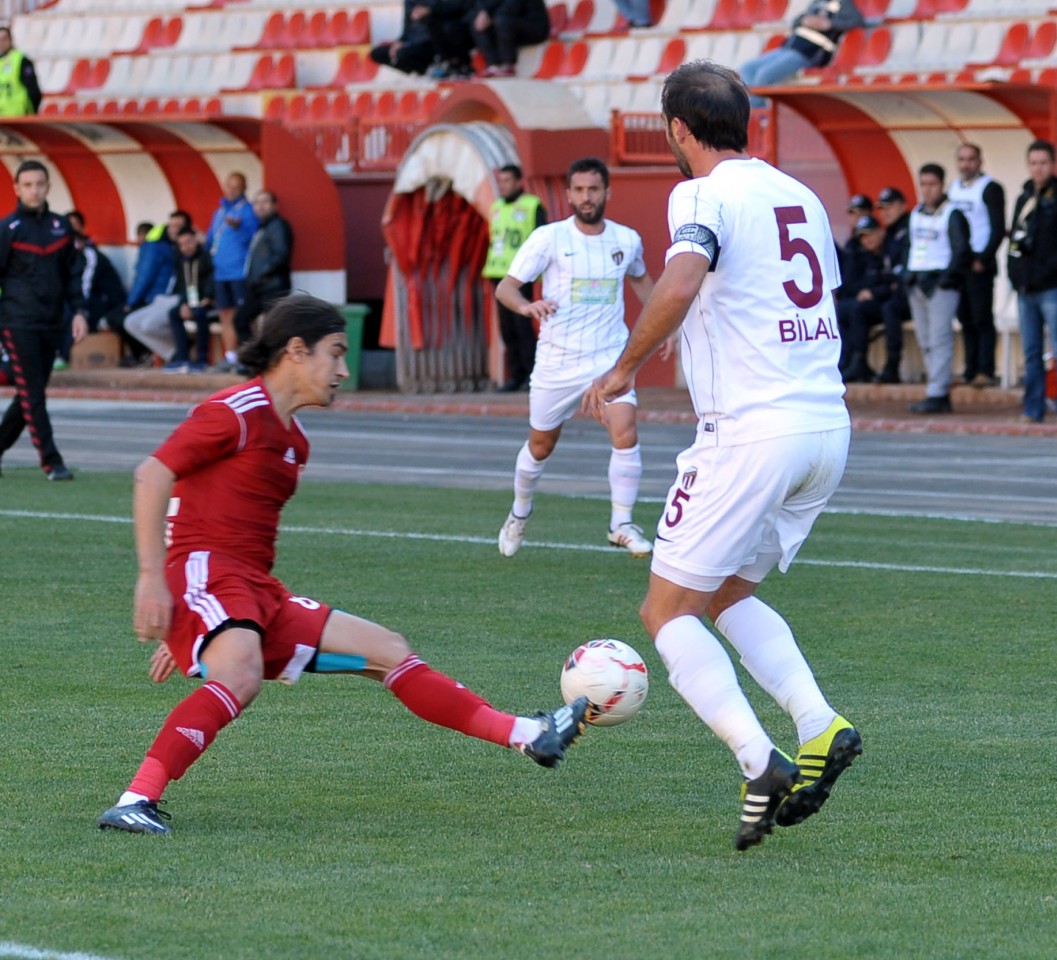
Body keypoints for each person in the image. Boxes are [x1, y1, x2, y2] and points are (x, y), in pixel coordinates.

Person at [97, 294, 589, 836]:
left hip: (254, 592)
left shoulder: (294, 441)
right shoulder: (234, 413)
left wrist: (196, 628)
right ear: (296, 350)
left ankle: (529, 734)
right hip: (208, 573)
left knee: (389, 650)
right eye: (335, 354)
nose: (343, 370)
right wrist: (159, 582)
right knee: (238, 674)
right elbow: (154, 475)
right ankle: (134, 800)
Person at [583, 60, 861, 852]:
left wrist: (623, 368)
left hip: (750, 432)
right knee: (727, 593)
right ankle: (817, 725)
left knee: (663, 612)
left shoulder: (698, 194)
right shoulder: (797, 195)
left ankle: (757, 760)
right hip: (823, 427)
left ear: (676, 129)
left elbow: (680, 277)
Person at [495, 156, 656, 559]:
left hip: (608, 360)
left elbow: (640, 279)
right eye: (580, 190)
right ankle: (519, 512)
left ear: (607, 192)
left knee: (626, 429)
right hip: (557, 362)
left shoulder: (626, 240)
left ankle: (621, 523)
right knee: (541, 446)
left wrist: (661, 326)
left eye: (594, 189)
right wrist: (527, 307)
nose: (587, 197)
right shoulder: (548, 238)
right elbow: (507, 289)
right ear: (569, 194)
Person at [0, 160, 86, 481]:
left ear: (49, 186)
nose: (34, 190)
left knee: (28, 394)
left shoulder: (61, 227)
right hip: (17, 322)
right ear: (17, 189)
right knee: (34, 393)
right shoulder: (7, 229)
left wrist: (79, 311)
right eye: (28, 184)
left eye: (40, 183)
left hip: (53, 323)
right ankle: (52, 462)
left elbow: (73, 274)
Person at [904, 163, 971, 415]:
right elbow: (909, 246)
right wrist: (906, 275)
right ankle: (936, 387)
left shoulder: (952, 213)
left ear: (942, 185)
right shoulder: (916, 212)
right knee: (925, 340)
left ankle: (937, 391)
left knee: (940, 339)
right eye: (923, 184)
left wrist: (946, 279)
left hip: (940, 283)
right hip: (917, 282)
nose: (927, 189)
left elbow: (961, 249)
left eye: (932, 184)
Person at [482, 164, 546, 391]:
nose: (503, 185)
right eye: (500, 181)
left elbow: (542, 239)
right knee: (506, 329)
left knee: (523, 325)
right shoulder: (496, 208)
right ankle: (515, 375)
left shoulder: (532, 205)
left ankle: (532, 374)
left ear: (519, 182)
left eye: (507, 180)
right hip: (498, 273)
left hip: (522, 276)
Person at [948, 143, 1005, 389]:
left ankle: (986, 369)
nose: (966, 164)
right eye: (962, 159)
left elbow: (997, 227)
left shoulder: (990, 188)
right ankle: (970, 369)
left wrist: (984, 258)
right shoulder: (954, 189)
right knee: (965, 318)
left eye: (971, 159)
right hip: (959, 263)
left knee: (982, 318)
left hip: (980, 263)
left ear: (980, 161)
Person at [1007, 139, 1057, 424]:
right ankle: (1033, 407)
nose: (1038, 169)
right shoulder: (1024, 197)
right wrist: (1015, 274)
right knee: (1031, 352)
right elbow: (1015, 239)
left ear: (1052, 165)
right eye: (1034, 163)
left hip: (1051, 286)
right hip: (1025, 288)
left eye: (1043, 163)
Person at [738, 0, 864, 107]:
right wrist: (804, 20)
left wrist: (828, 24)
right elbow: (796, 22)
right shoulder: (817, 3)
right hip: (787, 48)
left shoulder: (844, 3)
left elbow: (857, 20)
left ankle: (759, 117)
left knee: (763, 74)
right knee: (747, 68)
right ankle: (756, 110)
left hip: (808, 53)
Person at [124, 210, 192, 365]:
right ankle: (174, 353)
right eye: (172, 225)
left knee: (148, 326)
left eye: (179, 226)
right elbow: (144, 274)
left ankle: (181, 352)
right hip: (161, 297)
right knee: (130, 322)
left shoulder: (190, 252)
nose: (174, 230)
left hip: (178, 298)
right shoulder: (162, 245)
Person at [206, 172, 259, 372]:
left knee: (242, 316)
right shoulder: (219, 211)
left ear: (244, 188)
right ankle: (231, 356)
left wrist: (240, 228)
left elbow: (254, 239)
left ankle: (247, 357)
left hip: (239, 273)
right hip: (221, 273)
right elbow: (211, 238)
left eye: (237, 187)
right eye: (229, 186)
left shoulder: (247, 210)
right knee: (225, 315)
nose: (232, 190)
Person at [234, 189, 293, 346]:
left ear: (275, 205)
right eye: (257, 203)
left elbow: (281, 255)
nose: (260, 206)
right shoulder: (263, 227)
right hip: (259, 287)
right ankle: (255, 359)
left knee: (274, 328)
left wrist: (261, 275)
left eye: (265, 202)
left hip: (273, 286)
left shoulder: (277, 225)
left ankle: (269, 364)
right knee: (241, 320)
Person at [837, 214, 890, 383]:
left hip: (887, 302)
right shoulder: (860, 254)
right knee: (844, 309)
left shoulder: (889, 250)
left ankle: (860, 361)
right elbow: (849, 284)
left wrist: (874, 292)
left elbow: (894, 284)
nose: (867, 240)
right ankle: (848, 360)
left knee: (857, 309)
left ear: (880, 232)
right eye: (863, 236)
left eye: (870, 234)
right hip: (867, 302)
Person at [871, 186, 911, 383]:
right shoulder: (888, 233)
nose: (885, 212)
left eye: (890, 207)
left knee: (890, 309)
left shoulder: (910, 228)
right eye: (881, 208)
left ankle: (892, 366)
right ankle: (856, 363)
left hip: (911, 294)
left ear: (903, 206)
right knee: (856, 309)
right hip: (890, 291)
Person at [164, 227, 215, 373]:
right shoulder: (181, 261)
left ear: (196, 241)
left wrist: (208, 297)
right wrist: (183, 304)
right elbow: (182, 286)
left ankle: (202, 358)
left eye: (189, 242)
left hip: (207, 302)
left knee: (200, 314)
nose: (186, 247)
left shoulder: (206, 258)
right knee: (174, 314)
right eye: (182, 244)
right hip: (190, 302)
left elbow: (212, 280)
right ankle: (182, 357)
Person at [469, 0, 550, 78]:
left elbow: (509, 10)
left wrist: (488, 16)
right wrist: (484, 12)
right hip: (513, 25)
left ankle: (508, 65)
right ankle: (494, 65)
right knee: (477, 24)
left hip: (535, 28)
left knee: (502, 22)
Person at [370, 0, 441, 75]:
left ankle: (427, 70)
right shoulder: (409, 3)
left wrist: (427, 13)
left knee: (402, 53)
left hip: (429, 44)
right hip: (411, 43)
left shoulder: (433, 3)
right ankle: (416, 72)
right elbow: (406, 30)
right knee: (377, 53)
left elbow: (434, 31)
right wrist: (399, 42)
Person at [0, 25, 42, 117]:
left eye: (4, 39)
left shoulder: (21, 60)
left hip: (18, 115)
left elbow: (34, 91)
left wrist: (32, 112)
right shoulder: (1, 61)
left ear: (11, 40)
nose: (1, 43)